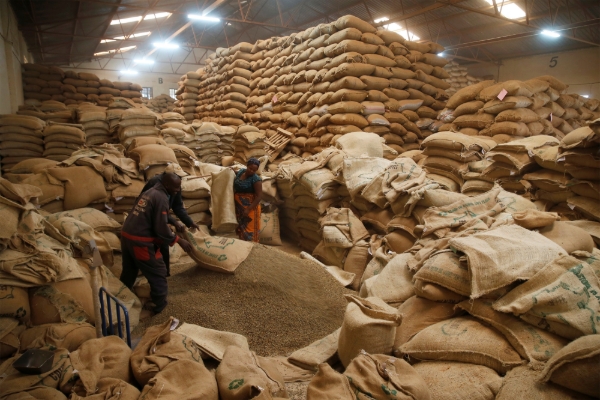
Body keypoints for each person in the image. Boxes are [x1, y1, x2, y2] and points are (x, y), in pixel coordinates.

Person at [120, 172, 193, 314]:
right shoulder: (161, 198)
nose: (178, 190)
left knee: (129, 271)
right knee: (158, 272)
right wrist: (178, 240)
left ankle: (121, 296)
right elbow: (160, 227)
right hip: (140, 241)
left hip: (127, 236)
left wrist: (181, 223)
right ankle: (159, 306)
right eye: (176, 188)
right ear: (166, 185)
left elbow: (158, 216)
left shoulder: (150, 192)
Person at [141, 164, 199, 276]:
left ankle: (165, 274)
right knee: (156, 244)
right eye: (177, 177)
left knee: (163, 245)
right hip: (149, 219)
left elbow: (177, 206)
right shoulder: (155, 186)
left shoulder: (176, 184)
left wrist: (189, 222)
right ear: (167, 179)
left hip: (160, 217)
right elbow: (155, 211)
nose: (179, 181)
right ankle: (157, 276)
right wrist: (175, 223)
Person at [233, 158, 263, 242]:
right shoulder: (241, 172)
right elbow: (235, 173)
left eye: (254, 170)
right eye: (250, 168)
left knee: (250, 229)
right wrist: (230, 171)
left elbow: (259, 196)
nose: (252, 171)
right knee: (241, 227)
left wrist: (248, 209)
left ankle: (252, 248)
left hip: (251, 207)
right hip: (240, 207)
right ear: (247, 166)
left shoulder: (256, 179)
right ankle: (242, 247)